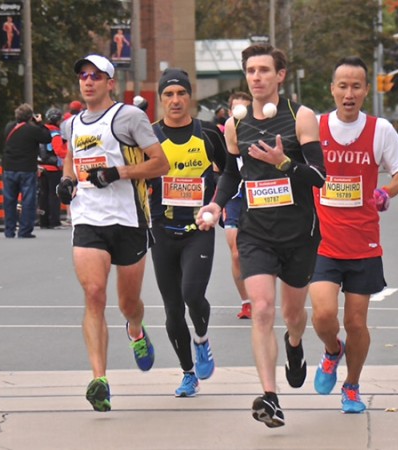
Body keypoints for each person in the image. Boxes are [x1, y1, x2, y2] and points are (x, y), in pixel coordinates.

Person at [196, 44, 326, 427]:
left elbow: (319, 177)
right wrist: (217, 206)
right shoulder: (236, 125)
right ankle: (271, 398)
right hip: (256, 232)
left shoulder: (301, 118)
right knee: (264, 309)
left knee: (292, 314)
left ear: (280, 75)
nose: (257, 77)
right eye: (251, 70)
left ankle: (295, 345)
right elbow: (231, 175)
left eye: (265, 70)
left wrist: (283, 162)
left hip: (299, 232)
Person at [57, 54, 169, 412]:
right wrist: (66, 181)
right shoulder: (71, 124)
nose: (87, 81)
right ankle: (99, 379)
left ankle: (135, 329)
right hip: (88, 218)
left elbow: (160, 163)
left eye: (95, 76)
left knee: (127, 303)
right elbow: (71, 160)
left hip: (128, 219)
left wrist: (116, 173)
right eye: (82, 76)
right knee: (93, 293)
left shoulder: (129, 118)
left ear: (110, 82)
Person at [309, 56, 398, 414]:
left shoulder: (380, 129)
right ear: (332, 89)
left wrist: (386, 192)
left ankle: (351, 386)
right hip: (322, 242)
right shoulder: (316, 127)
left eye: (356, 86)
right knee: (322, 316)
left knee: (356, 322)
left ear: (366, 90)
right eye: (342, 86)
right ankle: (331, 351)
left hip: (364, 243)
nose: (348, 93)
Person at [148, 68, 226, 397]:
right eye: (169, 94)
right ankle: (187, 373)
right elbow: (136, 174)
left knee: (192, 295)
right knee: (172, 308)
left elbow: (229, 173)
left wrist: (217, 205)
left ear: (190, 97)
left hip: (199, 228)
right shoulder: (149, 137)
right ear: (161, 99)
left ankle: (202, 340)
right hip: (162, 231)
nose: (175, 100)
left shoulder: (207, 133)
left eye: (181, 93)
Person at [223, 91, 253, 319]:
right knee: (235, 254)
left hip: (259, 194)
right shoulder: (225, 133)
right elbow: (220, 170)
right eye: (236, 110)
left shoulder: (263, 132)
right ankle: (246, 302)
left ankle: (262, 294)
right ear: (230, 112)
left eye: (246, 109)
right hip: (234, 196)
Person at [2, 103, 51, 238]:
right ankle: (24, 230)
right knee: (28, 200)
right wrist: (40, 124)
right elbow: (47, 138)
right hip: (27, 169)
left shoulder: (9, 127)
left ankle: (9, 230)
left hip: (9, 168)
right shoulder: (32, 130)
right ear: (30, 117)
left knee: (9, 200)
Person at [38, 107, 66, 229]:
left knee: (43, 195)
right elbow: (59, 150)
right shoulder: (55, 133)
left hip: (41, 167)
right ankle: (54, 221)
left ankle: (43, 221)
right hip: (54, 168)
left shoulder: (41, 131)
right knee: (54, 195)